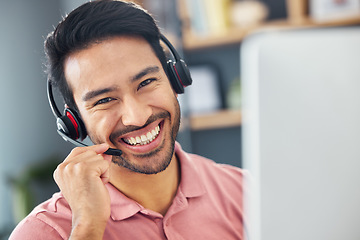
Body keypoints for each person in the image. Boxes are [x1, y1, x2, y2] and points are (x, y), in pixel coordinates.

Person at [10, 0, 248, 239]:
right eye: (104, 100)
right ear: (75, 121)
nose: (138, 116)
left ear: (175, 79)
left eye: (145, 83)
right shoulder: (40, 232)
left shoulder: (246, 193)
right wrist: (87, 225)